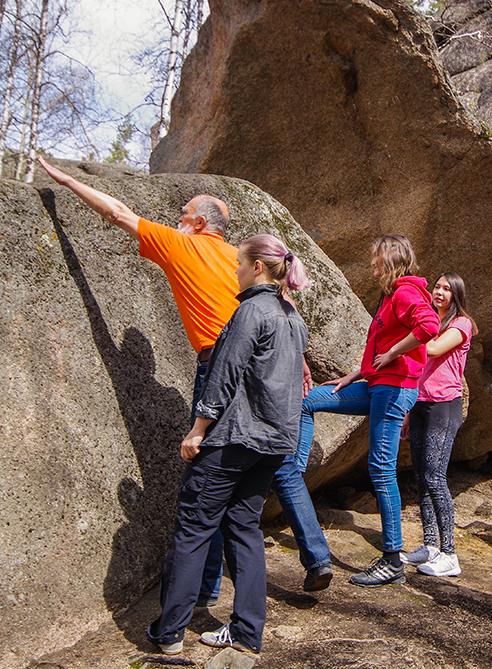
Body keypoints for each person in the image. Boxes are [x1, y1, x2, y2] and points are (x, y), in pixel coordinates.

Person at [34, 156, 333, 596]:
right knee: (280, 469)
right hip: (269, 367)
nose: (176, 220)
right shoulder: (245, 262)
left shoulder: (181, 244)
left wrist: (65, 180)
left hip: (221, 366)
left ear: (195, 222)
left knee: (208, 478)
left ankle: (204, 589)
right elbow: (279, 312)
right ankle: (318, 557)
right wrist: (299, 360)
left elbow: (116, 213)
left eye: (181, 215)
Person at [146, 234, 311, 654]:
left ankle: (169, 632)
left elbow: (225, 373)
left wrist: (198, 428)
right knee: (244, 528)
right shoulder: (293, 317)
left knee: (194, 527)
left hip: (233, 438)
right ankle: (245, 632)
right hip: (273, 444)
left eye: (239, 263)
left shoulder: (250, 311)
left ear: (258, 267)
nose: (235, 271)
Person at [294, 234, 440, 587]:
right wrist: (352, 375)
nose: (372, 263)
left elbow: (430, 327)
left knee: (381, 468)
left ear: (390, 258)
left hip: (394, 390)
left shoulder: (405, 291)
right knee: (311, 400)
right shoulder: (391, 296)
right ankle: (293, 474)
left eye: (376, 257)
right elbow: (383, 347)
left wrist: (392, 355)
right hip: (376, 385)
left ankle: (392, 558)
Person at [378, 274, 477, 578]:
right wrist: (407, 411)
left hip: (443, 406)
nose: (439, 292)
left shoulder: (462, 324)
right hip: (419, 403)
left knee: (435, 477)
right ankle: (430, 545)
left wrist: (405, 339)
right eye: (436, 286)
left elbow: (432, 350)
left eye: (447, 288)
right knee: (421, 477)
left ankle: (450, 553)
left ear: (456, 294)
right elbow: (420, 365)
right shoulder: (429, 321)